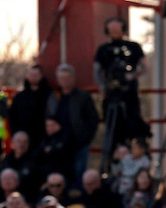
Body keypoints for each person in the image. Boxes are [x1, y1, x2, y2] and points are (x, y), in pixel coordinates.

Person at [94, 17, 150, 149]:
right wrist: (102, 84)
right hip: (111, 95)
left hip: (129, 95)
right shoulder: (103, 49)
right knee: (113, 131)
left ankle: (136, 156)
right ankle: (113, 158)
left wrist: (132, 75)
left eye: (117, 29)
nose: (114, 33)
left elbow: (145, 67)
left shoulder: (134, 47)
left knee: (134, 126)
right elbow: (96, 70)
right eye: (111, 30)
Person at [47, 64, 100, 178]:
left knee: (79, 174)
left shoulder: (83, 96)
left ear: (73, 78)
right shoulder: (54, 96)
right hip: (58, 144)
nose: (64, 81)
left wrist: (85, 138)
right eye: (61, 78)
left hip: (78, 143)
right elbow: (48, 116)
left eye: (67, 78)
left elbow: (93, 119)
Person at [9, 65, 52, 148]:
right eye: (31, 75)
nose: (33, 77)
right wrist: (16, 134)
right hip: (24, 141)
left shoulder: (49, 95)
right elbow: (12, 117)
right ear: (27, 76)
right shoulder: (19, 97)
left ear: (41, 76)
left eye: (36, 75)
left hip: (44, 140)